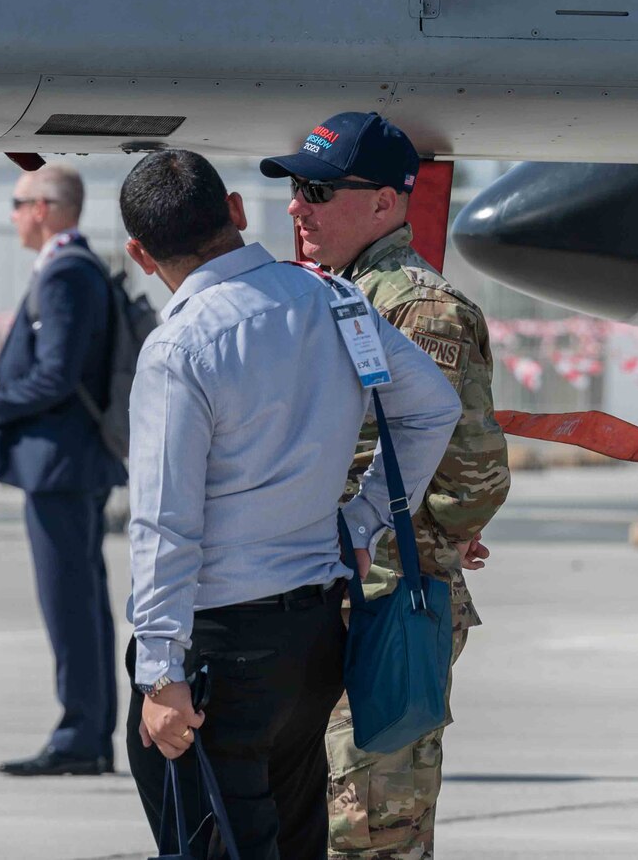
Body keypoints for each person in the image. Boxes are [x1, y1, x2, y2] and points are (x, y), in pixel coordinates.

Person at [120, 149, 462, 860]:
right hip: (313, 637)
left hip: (218, 648)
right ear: (238, 213)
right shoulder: (335, 301)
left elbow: (166, 521)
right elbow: (433, 405)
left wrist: (159, 671)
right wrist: (361, 520)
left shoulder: (178, 347)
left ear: (139, 253)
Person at [263, 112, 512, 860]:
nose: (295, 205)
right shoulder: (336, 295)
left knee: (368, 831)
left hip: (381, 604)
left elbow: (473, 473)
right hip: (324, 598)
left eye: (316, 189)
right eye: (296, 188)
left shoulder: (419, 309)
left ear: (383, 202)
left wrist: (438, 537)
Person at [0, 163, 127, 776]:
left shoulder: (65, 273)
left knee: (70, 605)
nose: (12, 214)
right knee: (80, 602)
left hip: (61, 465)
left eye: (18, 201)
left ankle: (81, 735)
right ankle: (90, 732)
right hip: (73, 464)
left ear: (46, 208)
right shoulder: (76, 268)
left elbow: (55, 375)